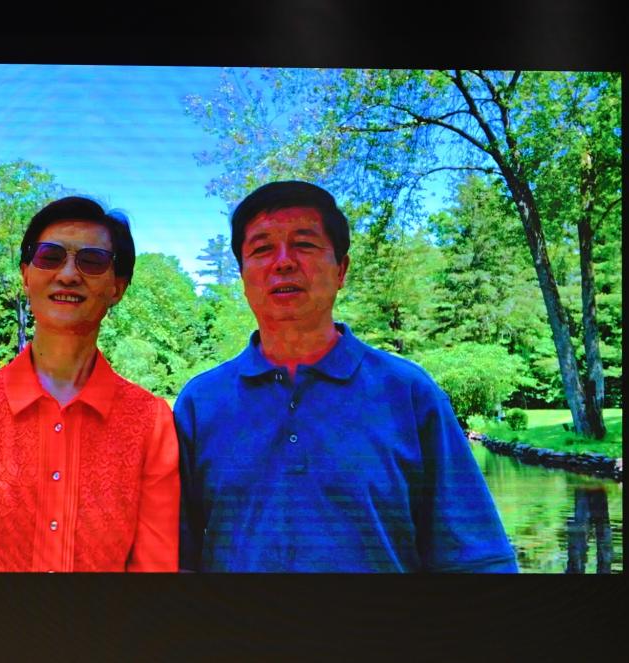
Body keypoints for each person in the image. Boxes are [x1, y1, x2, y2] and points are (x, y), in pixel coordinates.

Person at [175, 181, 517, 572]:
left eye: (304, 244)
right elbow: (174, 562)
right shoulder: (201, 404)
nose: (283, 262)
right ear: (242, 274)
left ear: (341, 269)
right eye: (262, 249)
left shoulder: (408, 394)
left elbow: (477, 560)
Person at [0, 196, 179, 572]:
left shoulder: (151, 423)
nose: (68, 274)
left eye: (92, 260)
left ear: (118, 287)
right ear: (26, 275)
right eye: (50, 256)